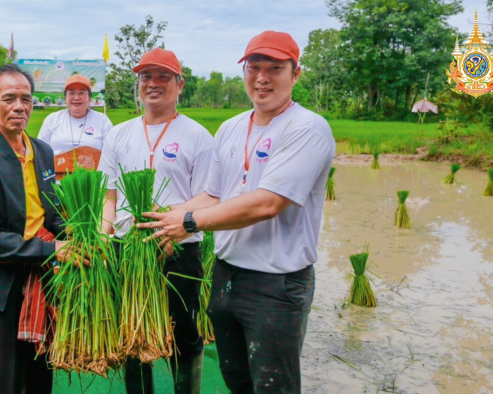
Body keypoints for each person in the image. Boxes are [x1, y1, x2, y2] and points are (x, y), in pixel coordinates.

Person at [136, 31, 336, 393]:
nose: (262, 77)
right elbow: (213, 195)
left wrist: (188, 222)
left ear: (296, 74)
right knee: (237, 382)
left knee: (273, 386)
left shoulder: (307, 128)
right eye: (254, 67)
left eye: (275, 68)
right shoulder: (230, 128)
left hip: (277, 285)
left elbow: (268, 202)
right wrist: (165, 219)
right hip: (228, 277)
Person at [0, 64, 86, 394]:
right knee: (6, 381)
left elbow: (51, 214)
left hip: (43, 278)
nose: (19, 107)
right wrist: (51, 249)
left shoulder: (41, 151)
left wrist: (76, 234)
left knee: (41, 374)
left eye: (26, 99)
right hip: (0, 287)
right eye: (9, 98)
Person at [97, 48, 214, 394]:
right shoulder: (118, 134)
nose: (152, 83)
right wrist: (104, 235)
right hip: (126, 249)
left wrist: (173, 224)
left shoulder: (197, 137)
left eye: (163, 76)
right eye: (146, 77)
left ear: (180, 84)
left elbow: (210, 196)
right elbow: (109, 196)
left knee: (185, 338)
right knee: (132, 335)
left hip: (177, 252)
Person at [37, 74, 113, 155]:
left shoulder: (102, 120)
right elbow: (40, 151)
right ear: (65, 98)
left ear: (90, 97)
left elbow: (111, 153)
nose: (76, 97)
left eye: (81, 93)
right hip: (56, 167)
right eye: (72, 93)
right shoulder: (52, 119)